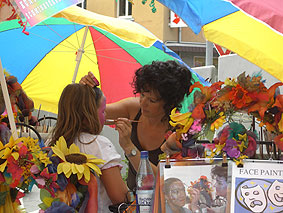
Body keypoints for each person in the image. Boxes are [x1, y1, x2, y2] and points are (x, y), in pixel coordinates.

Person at [80, 60, 193, 191]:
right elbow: (91, 113)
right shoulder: (133, 109)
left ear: (170, 103)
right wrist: (86, 92)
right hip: (133, 201)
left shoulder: (180, 131)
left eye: (152, 100)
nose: (143, 103)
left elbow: (166, 181)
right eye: (142, 95)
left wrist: (129, 147)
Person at [48, 83, 129, 212]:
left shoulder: (53, 144)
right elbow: (120, 198)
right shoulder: (98, 145)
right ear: (88, 115)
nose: (106, 116)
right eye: (103, 111)